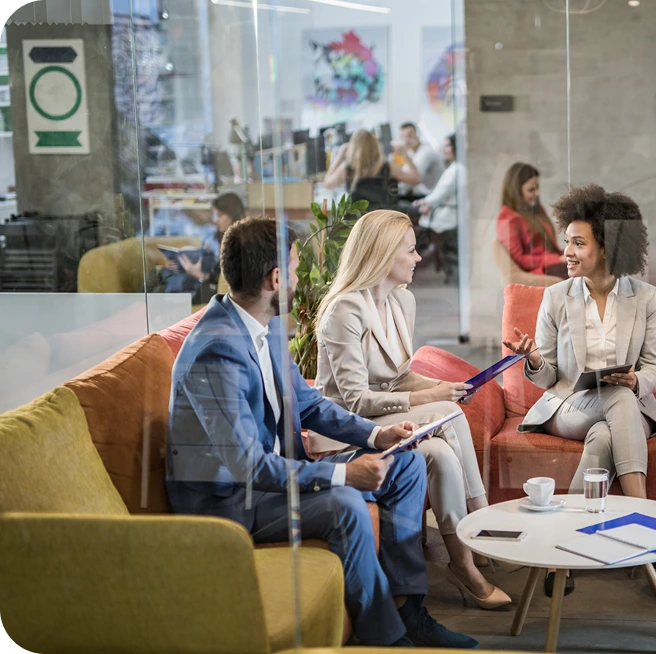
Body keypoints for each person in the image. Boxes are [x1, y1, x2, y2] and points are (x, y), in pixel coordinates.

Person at [166, 217, 478, 649]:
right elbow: (247, 466)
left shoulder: (263, 326)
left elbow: (309, 405)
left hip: (274, 478)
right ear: (276, 278)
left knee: (404, 463)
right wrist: (345, 476)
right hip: (232, 503)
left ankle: (409, 612)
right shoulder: (217, 350)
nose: (298, 279)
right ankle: (387, 640)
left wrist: (375, 437)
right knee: (346, 504)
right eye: (293, 270)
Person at [313, 210, 509, 611]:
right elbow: (355, 401)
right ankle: (483, 518)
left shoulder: (402, 301)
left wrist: (446, 390)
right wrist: (433, 400)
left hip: (389, 420)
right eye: (411, 249)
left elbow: (399, 379)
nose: (419, 258)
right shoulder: (344, 311)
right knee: (448, 415)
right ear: (384, 255)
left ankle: (463, 563)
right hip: (347, 434)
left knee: (439, 453)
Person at [504, 183, 656, 596]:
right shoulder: (556, 297)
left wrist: (635, 379)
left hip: (623, 410)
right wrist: (535, 360)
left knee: (607, 431)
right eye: (567, 242)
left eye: (578, 243)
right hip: (569, 405)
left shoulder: (645, 297)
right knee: (618, 398)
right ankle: (643, 519)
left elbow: (655, 367)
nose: (566, 253)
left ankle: (564, 549)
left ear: (608, 247)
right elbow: (548, 375)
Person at [146, 192, 244, 303]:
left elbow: (221, 281)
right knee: (156, 274)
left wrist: (199, 275)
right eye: (214, 215)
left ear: (233, 215)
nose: (215, 219)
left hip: (205, 289)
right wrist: (178, 263)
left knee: (159, 289)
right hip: (194, 279)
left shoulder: (239, 243)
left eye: (220, 215)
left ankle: (131, 309)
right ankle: (131, 309)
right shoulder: (214, 237)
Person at [495, 162, 567, 278]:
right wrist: (557, 259)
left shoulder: (536, 209)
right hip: (539, 272)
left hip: (553, 266)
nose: (537, 193)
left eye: (537, 187)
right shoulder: (507, 218)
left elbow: (550, 247)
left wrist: (568, 255)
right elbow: (520, 260)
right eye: (531, 189)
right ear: (516, 191)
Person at [413, 134, 463, 281]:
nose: (444, 149)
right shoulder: (456, 168)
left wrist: (424, 203)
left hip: (448, 216)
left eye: (447, 146)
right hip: (447, 211)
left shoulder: (456, 170)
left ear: (455, 147)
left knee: (418, 232)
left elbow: (439, 194)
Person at [323, 129, 404, 212]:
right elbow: (416, 179)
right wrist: (404, 153)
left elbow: (328, 184)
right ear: (375, 146)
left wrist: (340, 155)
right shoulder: (385, 167)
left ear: (353, 146)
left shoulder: (348, 169)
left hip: (358, 221)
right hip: (381, 219)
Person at [395, 122, 446, 201]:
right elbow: (406, 173)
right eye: (403, 136)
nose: (406, 140)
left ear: (417, 135)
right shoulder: (411, 153)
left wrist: (404, 154)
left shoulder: (426, 152)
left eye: (410, 136)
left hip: (430, 196)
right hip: (422, 195)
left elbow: (415, 179)